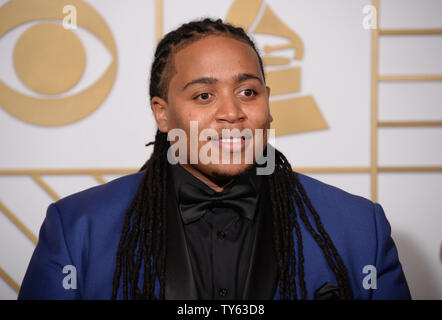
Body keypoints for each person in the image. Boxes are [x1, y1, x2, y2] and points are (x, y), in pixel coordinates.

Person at [18, 18, 410, 300]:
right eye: (203, 95)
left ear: (268, 103)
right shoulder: (77, 229)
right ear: (162, 112)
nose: (232, 113)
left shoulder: (359, 230)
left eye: (248, 92)